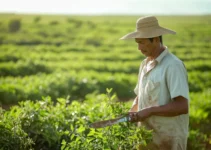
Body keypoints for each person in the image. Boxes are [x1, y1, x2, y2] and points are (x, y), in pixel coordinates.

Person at [120, 16, 189, 150]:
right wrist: (133, 111)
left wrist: (151, 111)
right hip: (147, 139)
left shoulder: (173, 66)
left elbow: (182, 106)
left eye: (142, 42)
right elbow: (141, 96)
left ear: (156, 39)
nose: (139, 48)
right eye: (137, 43)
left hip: (169, 141)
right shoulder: (144, 64)